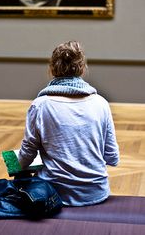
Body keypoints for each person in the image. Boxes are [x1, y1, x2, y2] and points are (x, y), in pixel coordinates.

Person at [18, 41, 119, 206]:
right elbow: (112, 157)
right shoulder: (101, 103)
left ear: (51, 69)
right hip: (96, 192)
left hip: (53, 194)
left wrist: (16, 164)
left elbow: (27, 153)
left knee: (19, 169)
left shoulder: (41, 105)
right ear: (82, 68)